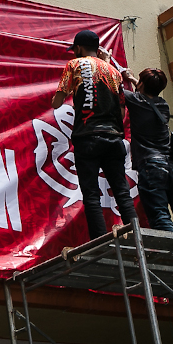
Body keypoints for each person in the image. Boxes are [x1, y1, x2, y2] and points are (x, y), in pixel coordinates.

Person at [51, 30, 138, 240]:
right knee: (122, 192)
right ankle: (137, 238)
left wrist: (71, 95)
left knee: (91, 195)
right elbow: (121, 112)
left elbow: (57, 102)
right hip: (113, 137)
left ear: (79, 48)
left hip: (87, 137)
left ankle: (100, 242)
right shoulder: (113, 72)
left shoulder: (74, 65)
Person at [118, 66, 173, 235]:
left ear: (142, 84)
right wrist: (134, 79)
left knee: (161, 218)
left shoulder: (135, 101)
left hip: (152, 168)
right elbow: (146, 92)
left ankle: (170, 253)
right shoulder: (163, 105)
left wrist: (107, 62)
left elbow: (115, 88)